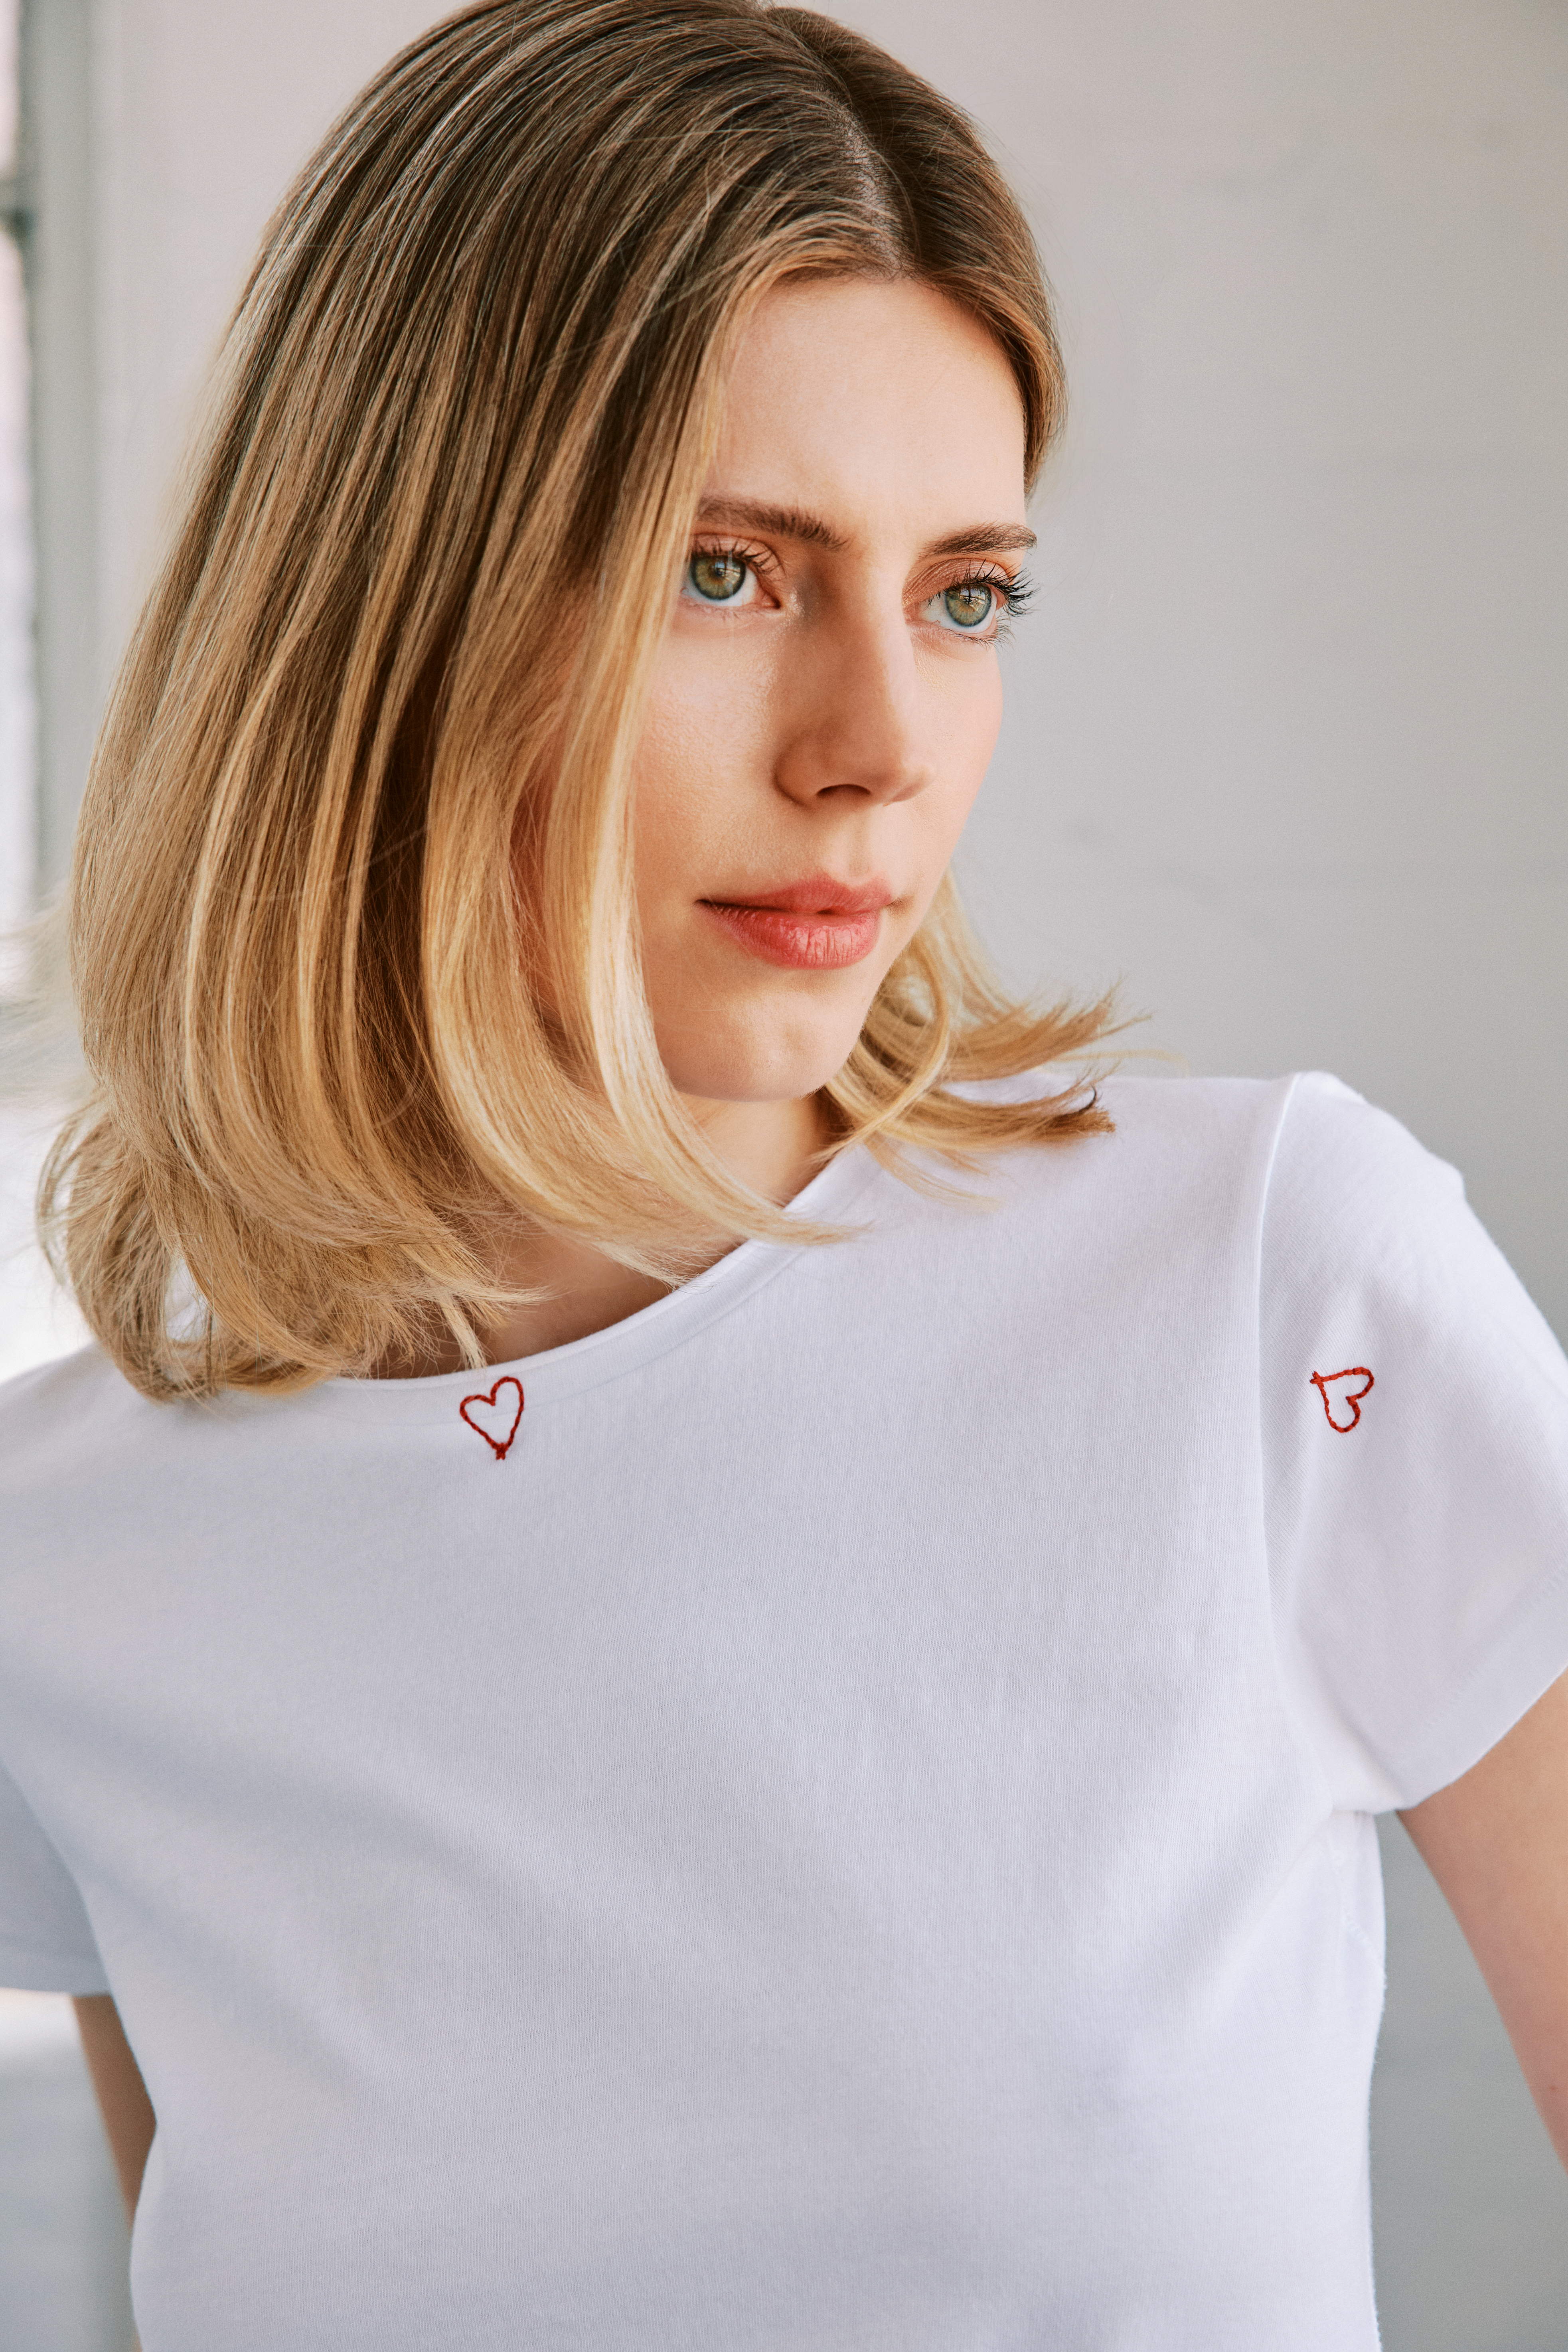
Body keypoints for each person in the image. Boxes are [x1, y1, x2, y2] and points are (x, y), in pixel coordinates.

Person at [1, 2, 1564, 2344]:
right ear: (387, 611)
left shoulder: (1273, 1293)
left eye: (967, 592)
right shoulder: (73, 1567)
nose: (882, 749)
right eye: (729, 575)